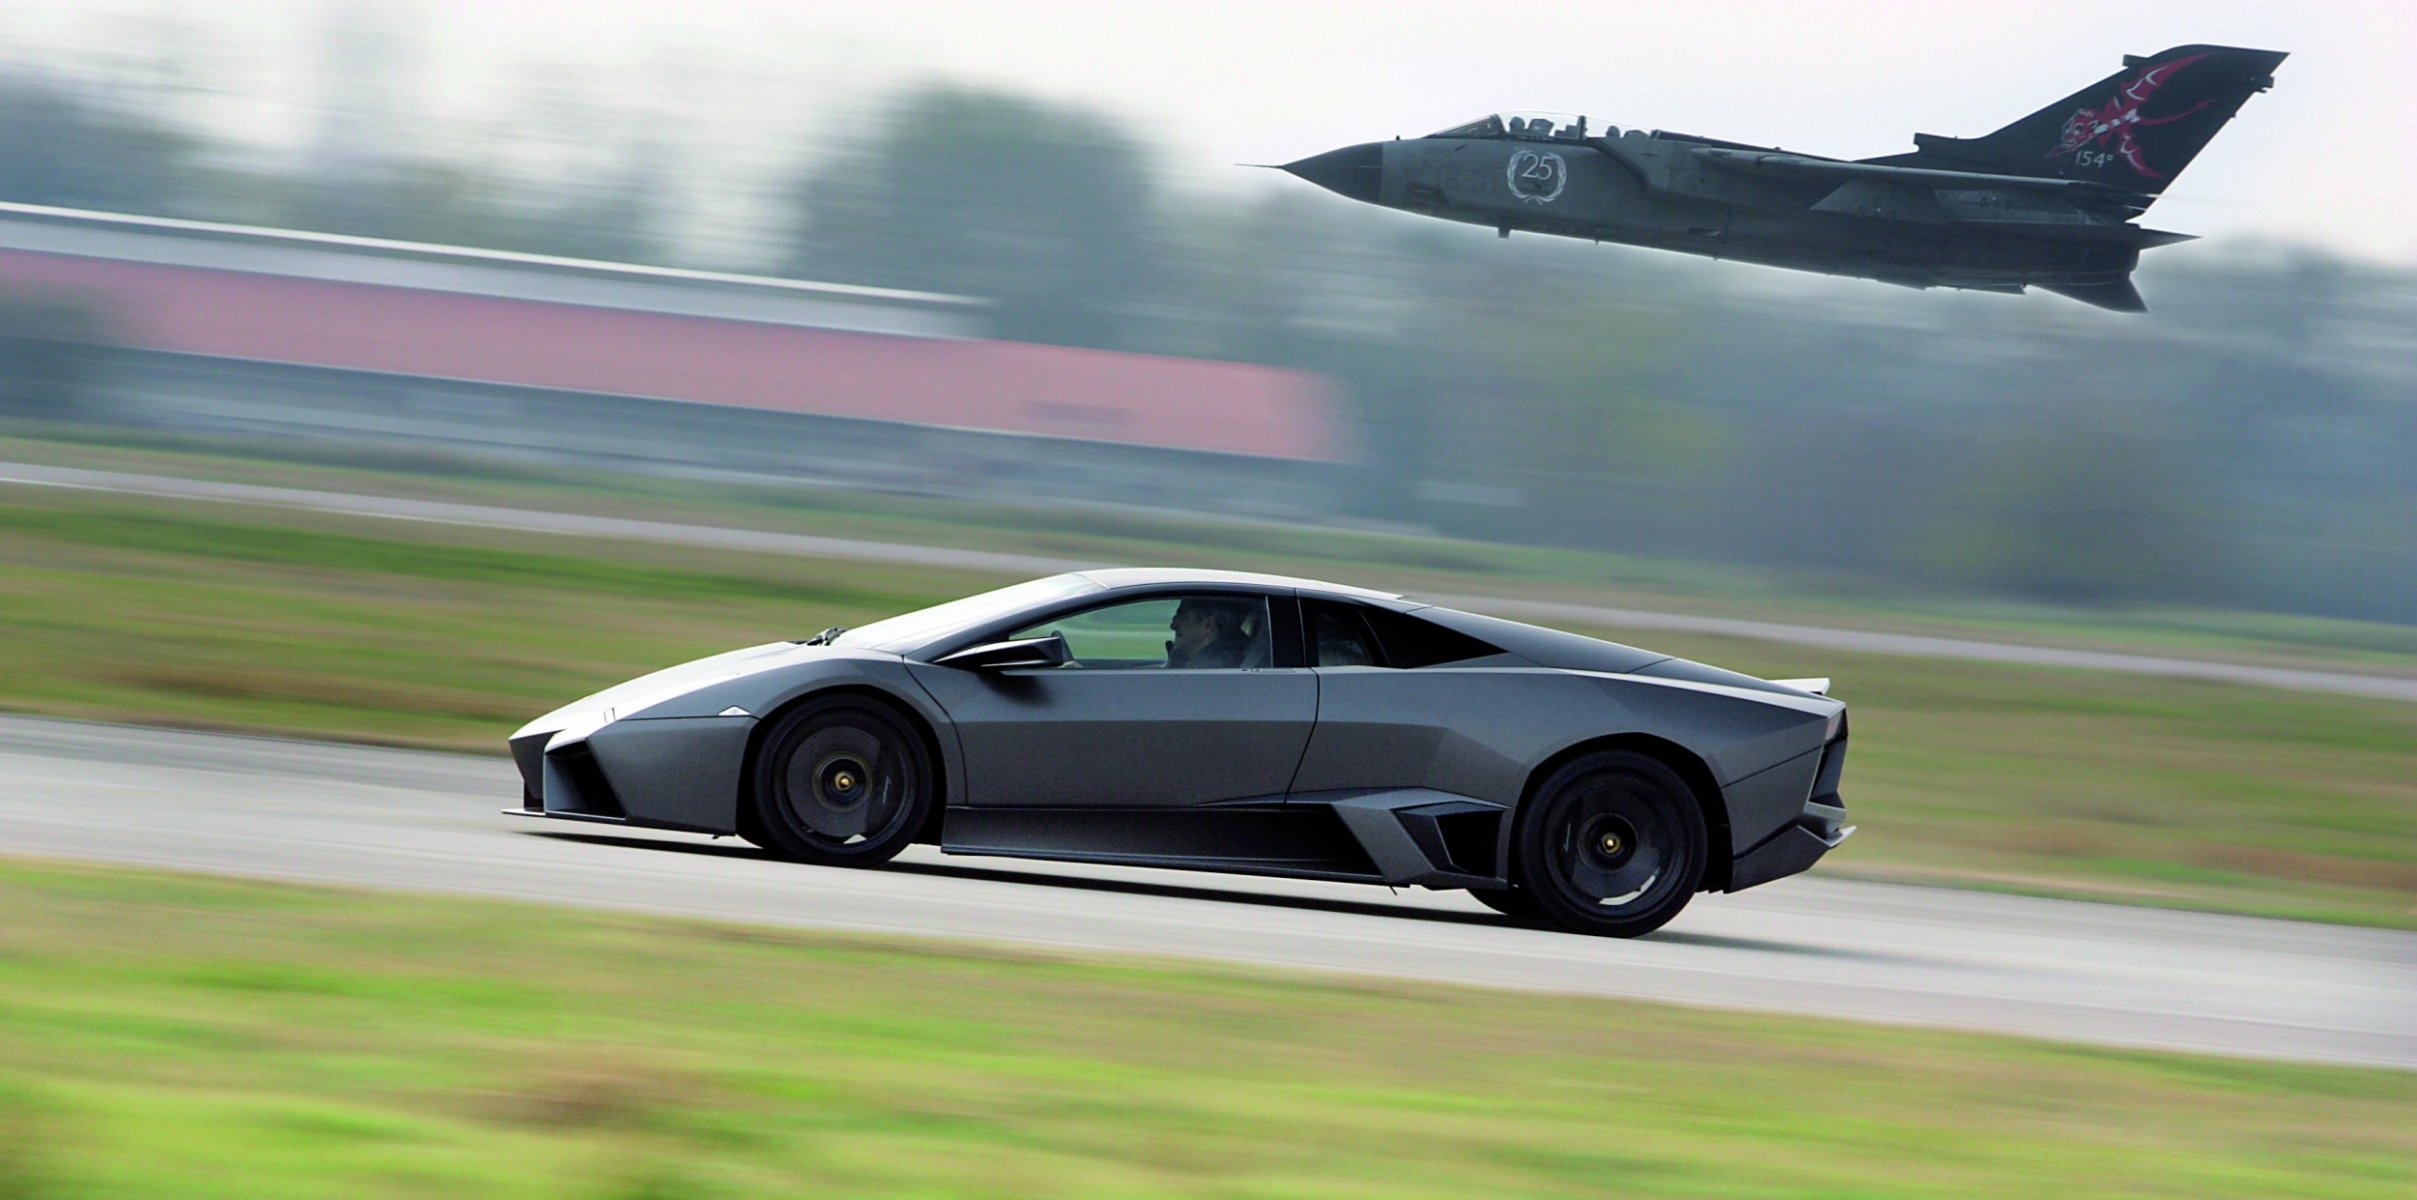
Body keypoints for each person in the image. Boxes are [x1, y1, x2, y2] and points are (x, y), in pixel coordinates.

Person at [1165, 597, 1254, 669]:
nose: (1173, 625)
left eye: (1183, 618)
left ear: (1208, 626)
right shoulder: (1207, 664)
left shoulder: (1213, 669)